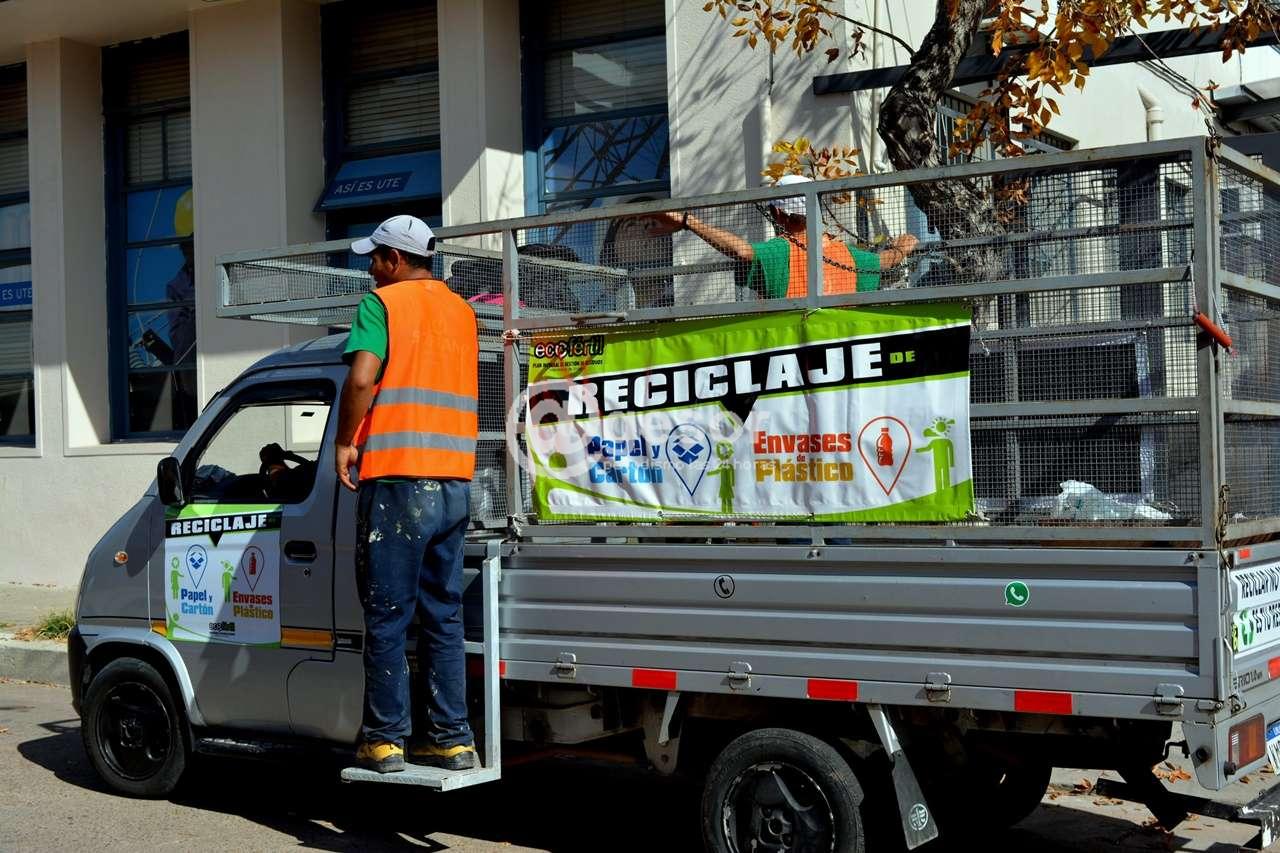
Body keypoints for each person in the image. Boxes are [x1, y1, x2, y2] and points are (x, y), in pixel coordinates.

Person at [334, 214, 480, 775]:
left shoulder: (382, 304)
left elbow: (361, 378)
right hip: (454, 481)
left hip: (397, 479)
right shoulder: (462, 312)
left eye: (375, 258)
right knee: (443, 615)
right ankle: (451, 739)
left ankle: (384, 741)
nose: (371, 268)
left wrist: (345, 442)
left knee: (388, 615)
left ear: (395, 259)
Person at [650, 173, 917, 298]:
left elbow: (742, 251)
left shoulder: (781, 251)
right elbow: (885, 261)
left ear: (778, 214)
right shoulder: (847, 254)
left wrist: (688, 221)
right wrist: (902, 247)